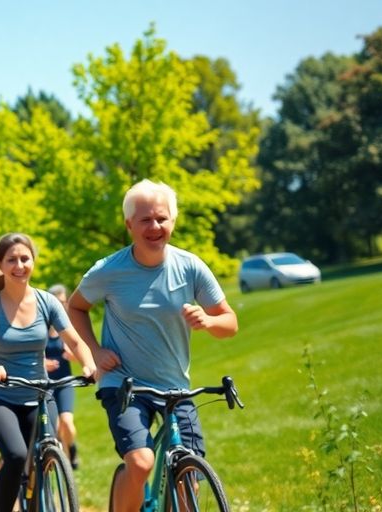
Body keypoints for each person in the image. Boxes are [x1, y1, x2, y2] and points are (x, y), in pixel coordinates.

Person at [67, 179, 238, 512]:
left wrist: (208, 320)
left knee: (188, 474)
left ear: (172, 221)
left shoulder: (190, 266)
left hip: (175, 386)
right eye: (145, 220)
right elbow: (75, 307)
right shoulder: (109, 270)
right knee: (142, 463)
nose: (155, 227)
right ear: (129, 224)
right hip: (124, 384)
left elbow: (229, 323)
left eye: (162, 218)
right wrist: (94, 351)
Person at [0, 233, 97, 512]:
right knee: (16, 454)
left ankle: (36, 499)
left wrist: (88, 363)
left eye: (25, 258)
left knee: (45, 452)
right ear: (1, 264)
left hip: (39, 393)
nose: (19, 265)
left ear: (33, 261)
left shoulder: (48, 302)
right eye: (12, 260)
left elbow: (74, 340)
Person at [45, 283, 81, 469]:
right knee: (55, 426)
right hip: (46, 384)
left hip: (65, 382)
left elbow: (80, 353)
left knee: (67, 422)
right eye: (58, 302)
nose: (62, 305)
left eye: (64, 302)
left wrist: (72, 354)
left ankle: (72, 447)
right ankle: (63, 464)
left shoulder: (67, 329)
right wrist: (44, 363)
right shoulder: (40, 327)